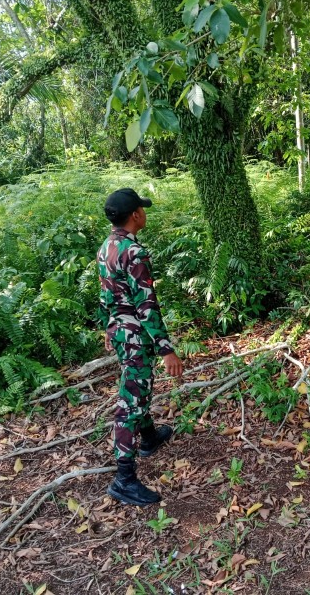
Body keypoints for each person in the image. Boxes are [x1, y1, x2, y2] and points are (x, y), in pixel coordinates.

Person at [97, 188, 184, 506]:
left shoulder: (106, 247)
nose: (145, 213)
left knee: (138, 388)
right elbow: (146, 303)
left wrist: (109, 325)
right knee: (129, 404)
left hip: (121, 332)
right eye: (142, 209)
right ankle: (124, 479)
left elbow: (107, 294)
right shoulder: (133, 252)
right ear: (135, 215)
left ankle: (149, 437)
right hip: (135, 335)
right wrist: (166, 348)